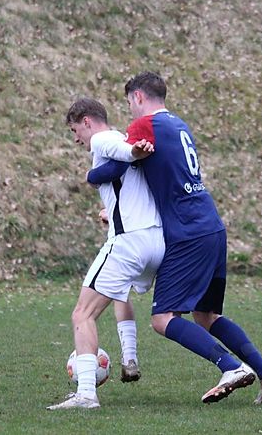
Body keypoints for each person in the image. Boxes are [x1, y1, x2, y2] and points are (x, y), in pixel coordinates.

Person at [99, 71, 262, 405]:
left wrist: (90, 174)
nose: (129, 110)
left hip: (187, 232)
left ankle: (230, 367)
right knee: (207, 316)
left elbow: (116, 168)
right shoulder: (179, 124)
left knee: (162, 319)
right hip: (211, 224)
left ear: (138, 97)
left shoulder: (144, 125)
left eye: (129, 102)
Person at [47, 98, 165, 411]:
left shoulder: (105, 139)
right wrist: (110, 211)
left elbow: (123, 151)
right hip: (156, 240)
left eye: (75, 130)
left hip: (129, 242)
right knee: (122, 294)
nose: (76, 139)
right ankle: (130, 358)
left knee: (82, 314)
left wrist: (133, 152)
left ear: (86, 121)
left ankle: (86, 394)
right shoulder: (123, 142)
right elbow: (128, 180)